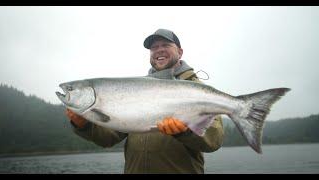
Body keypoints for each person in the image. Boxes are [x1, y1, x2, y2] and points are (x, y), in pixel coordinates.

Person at [66, 29, 224, 174]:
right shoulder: (135, 91)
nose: (159, 49)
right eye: (154, 47)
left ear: (180, 52)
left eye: (166, 44)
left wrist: (186, 132)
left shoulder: (201, 91)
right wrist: (84, 125)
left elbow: (213, 140)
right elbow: (108, 138)